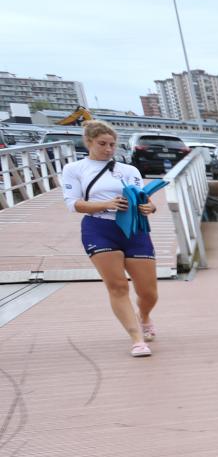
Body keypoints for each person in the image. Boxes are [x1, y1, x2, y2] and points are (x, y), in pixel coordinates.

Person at [61, 121, 160, 356]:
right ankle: (137, 339)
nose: (108, 149)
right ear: (89, 142)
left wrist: (150, 208)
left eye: (112, 144)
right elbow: (72, 203)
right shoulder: (75, 169)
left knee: (149, 292)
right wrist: (105, 204)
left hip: (134, 229)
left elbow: (144, 199)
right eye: (102, 144)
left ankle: (144, 315)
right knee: (117, 286)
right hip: (99, 227)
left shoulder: (129, 170)